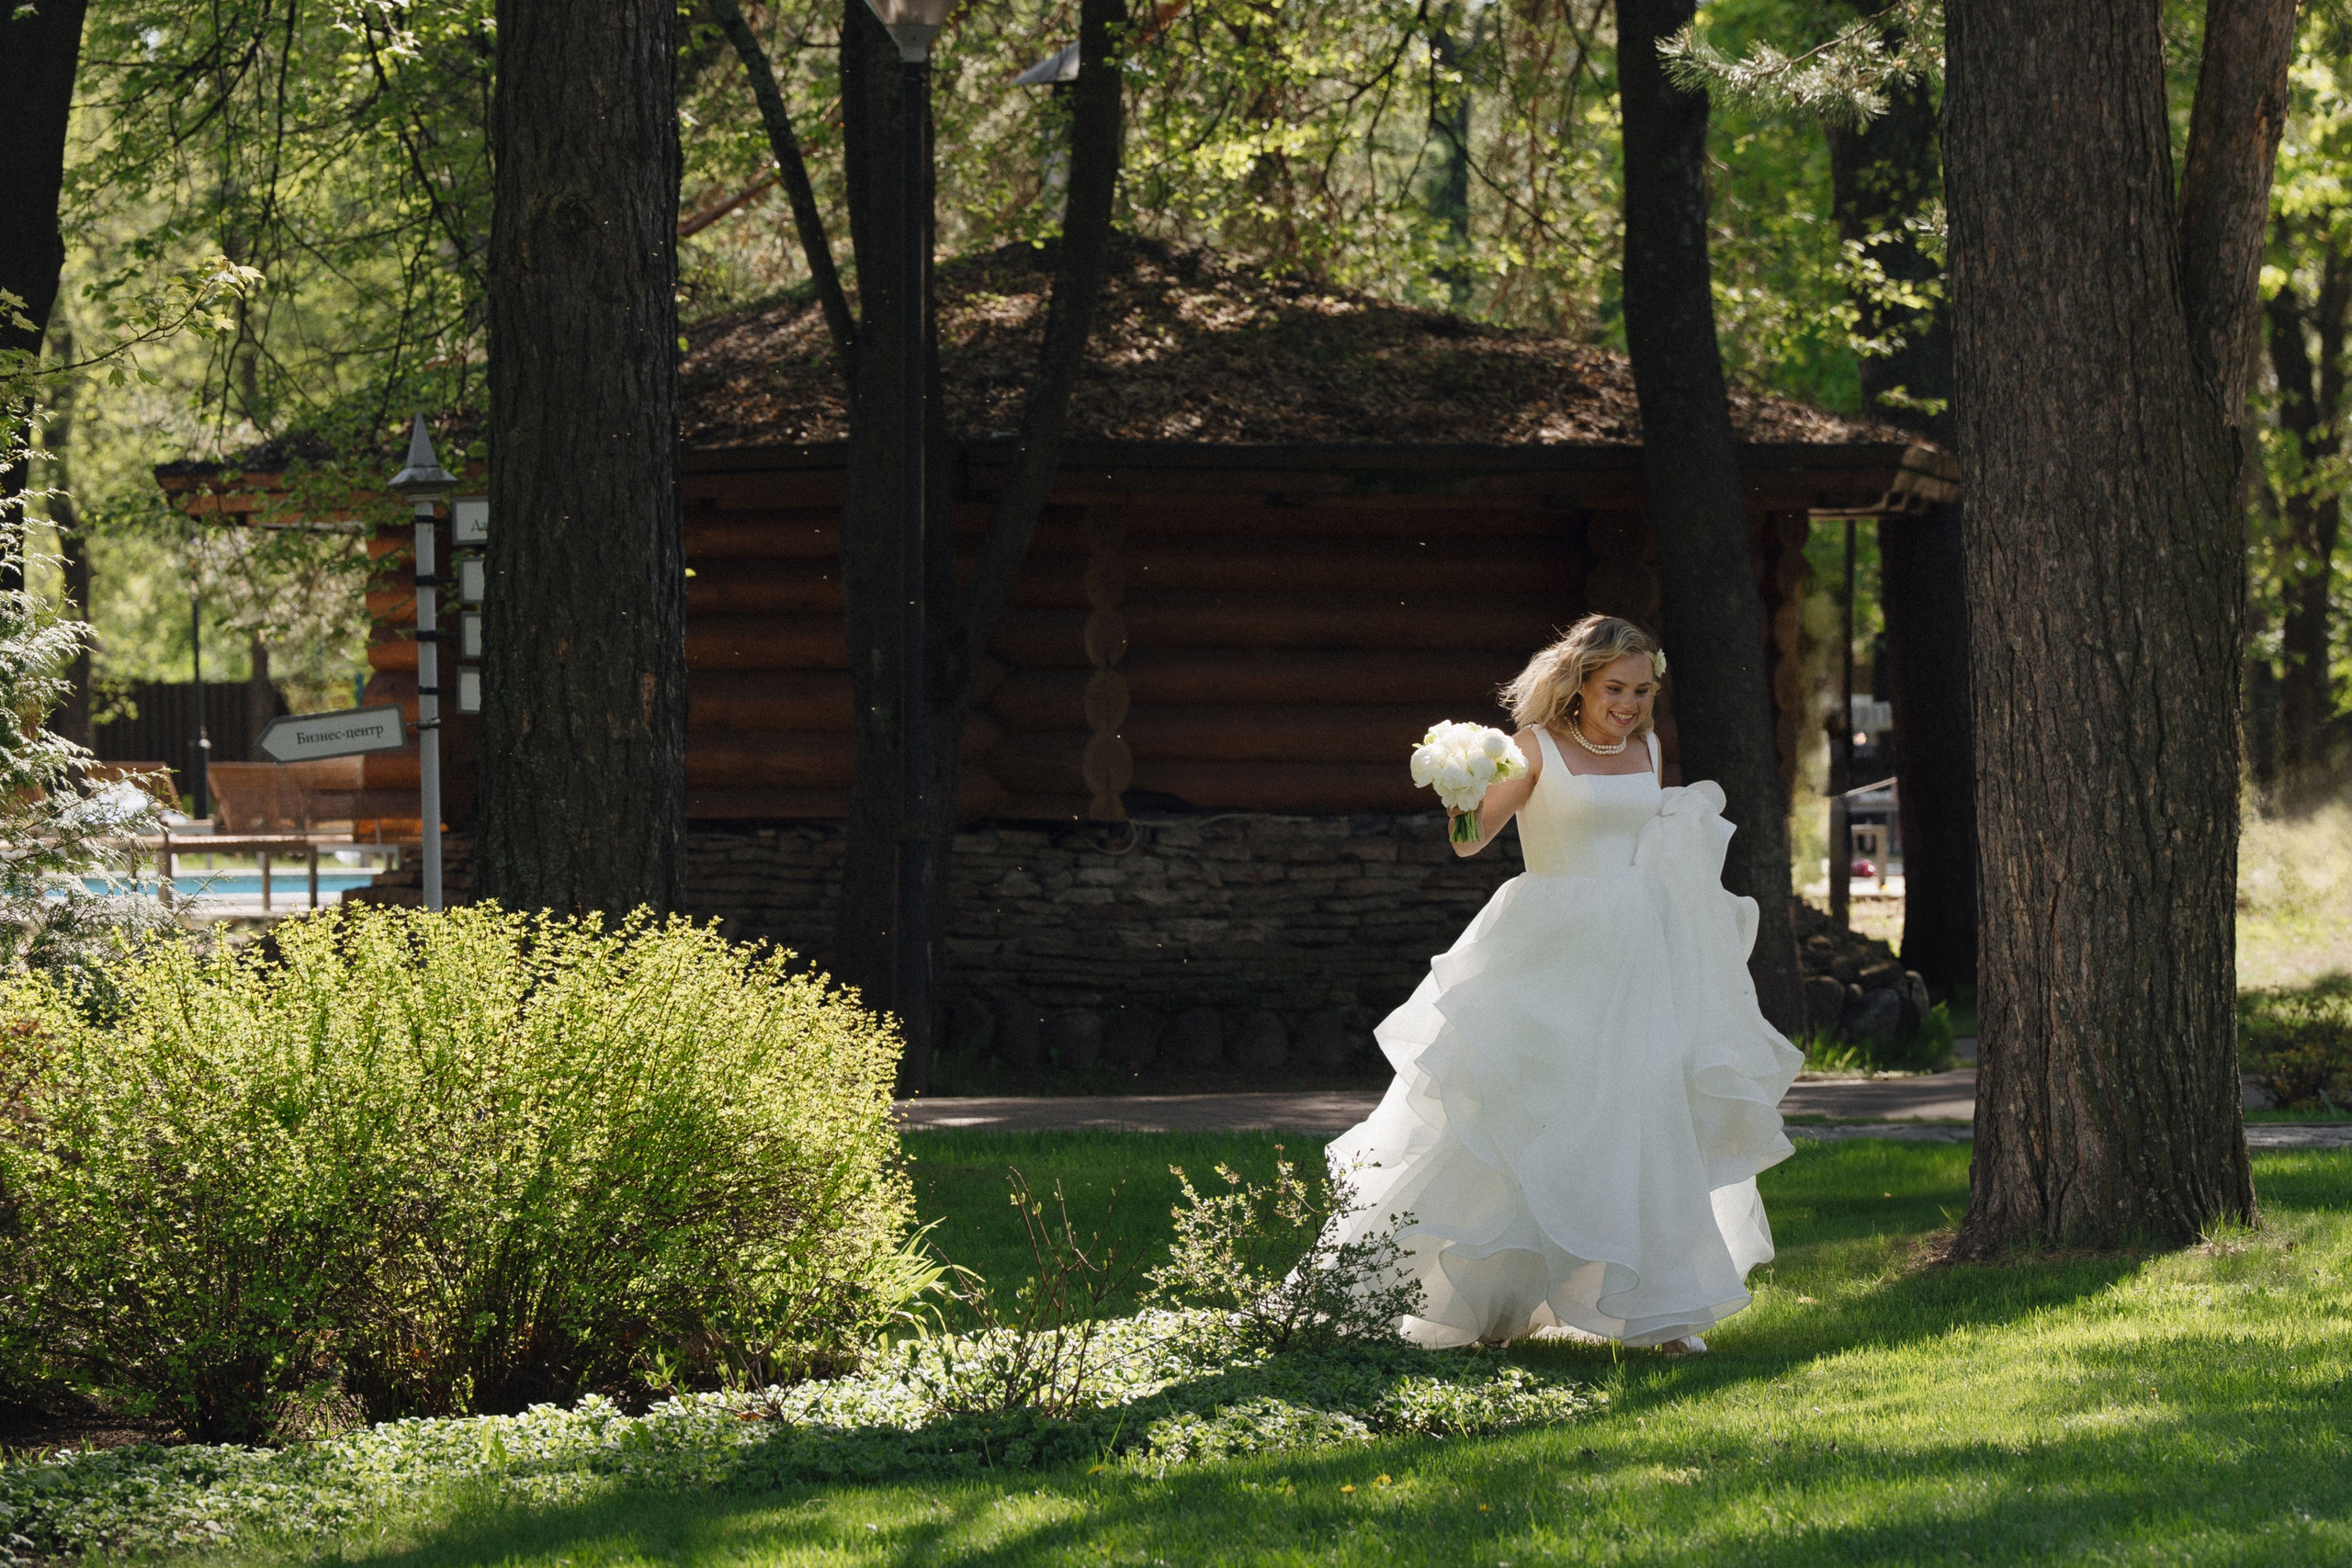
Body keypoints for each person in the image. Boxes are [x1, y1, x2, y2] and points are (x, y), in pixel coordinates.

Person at [1326, 614, 1803, 1354]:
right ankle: (1488, 1300)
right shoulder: (1533, 749)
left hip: (1637, 955)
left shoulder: (1647, 748)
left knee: (1646, 1114)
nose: (1632, 703)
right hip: (1551, 949)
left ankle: (1661, 1312)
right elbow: (1472, 842)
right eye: (1617, 687)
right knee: (1527, 1118)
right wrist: (1460, 792)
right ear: (1580, 683)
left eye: (1644, 690)